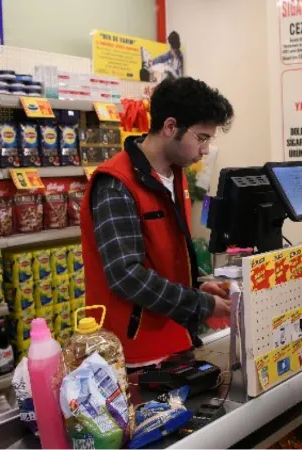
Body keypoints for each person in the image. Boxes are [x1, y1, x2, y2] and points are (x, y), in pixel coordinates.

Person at [80, 77, 235, 368]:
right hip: (130, 354)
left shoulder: (175, 176)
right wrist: (200, 305)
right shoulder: (116, 184)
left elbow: (162, 259)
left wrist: (197, 288)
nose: (204, 149)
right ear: (170, 127)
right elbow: (126, 276)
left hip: (173, 340)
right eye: (201, 138)